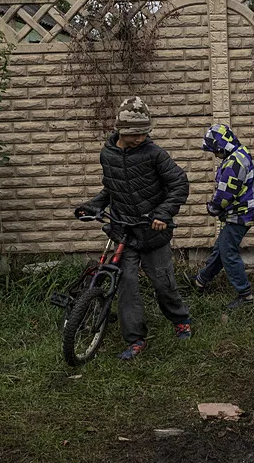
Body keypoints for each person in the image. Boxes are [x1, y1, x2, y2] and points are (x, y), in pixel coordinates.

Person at [76, 97, 192, 360]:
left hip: (152, 231)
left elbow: (179, 184)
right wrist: (92, 206)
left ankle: (181, 320)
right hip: (124, 232)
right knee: (126, 285)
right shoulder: (107, 155)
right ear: (120, 130)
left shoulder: (155, 154)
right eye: (134, 133)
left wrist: (163, 213)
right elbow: (111, 190)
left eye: (144, 132)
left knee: (163, 283)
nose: (140, 138)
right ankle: (135, 339)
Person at [193, 124, 254, 309]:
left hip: (239, 215)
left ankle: (245, 295)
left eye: (215, 151)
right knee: (221, 249)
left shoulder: (234, 163)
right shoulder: (240, 153)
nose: (215, 155)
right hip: (242, 213)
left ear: (222, 147)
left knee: (228, 253)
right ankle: (201, 280)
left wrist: (213, 207)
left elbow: (225, 194)